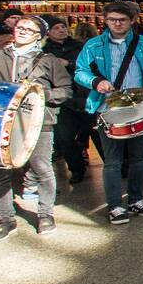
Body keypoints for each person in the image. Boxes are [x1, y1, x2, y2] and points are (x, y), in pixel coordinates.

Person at [74, 1, 143, 224]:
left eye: (122, 20)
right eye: (112, 20)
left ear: (132, 21)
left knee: (139, 158)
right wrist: (96, 81)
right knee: (113, 160)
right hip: (108, 108)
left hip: (140, 107)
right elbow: (80, 72)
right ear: (105, 20)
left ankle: (136, 199)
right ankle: (115, 205)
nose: (117, 24)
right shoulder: (93, 45)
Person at [0, 15, 73, 240]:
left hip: (39, 121)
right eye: (20, 27)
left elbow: (66, 90)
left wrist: (39, 95)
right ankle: (5, 219)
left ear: (38, 36)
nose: (21, 31)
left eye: (28, 30)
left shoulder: (49, 61)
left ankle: (45, 214)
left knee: (42, 168)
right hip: (0, 123)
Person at [40, 15, 92, 184]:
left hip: (86, 95)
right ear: (48, 32)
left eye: (63, 27)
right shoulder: (44, 52)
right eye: (56, 28)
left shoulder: (80, 46)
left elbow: (93, 66)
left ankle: (114, 165)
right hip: (62, 99)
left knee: (96, 131)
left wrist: (69, 63)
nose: (62, 30)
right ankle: (76, 169)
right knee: (65, 137)